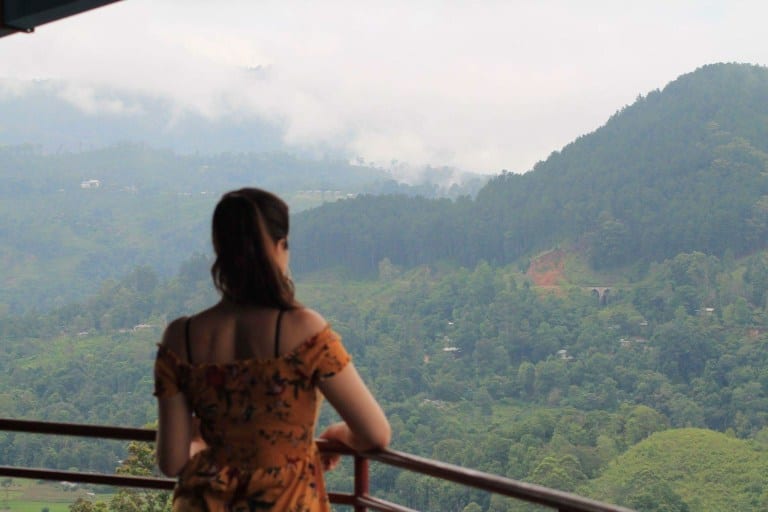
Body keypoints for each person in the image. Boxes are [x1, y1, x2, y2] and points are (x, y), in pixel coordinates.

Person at [154, 188, 390, 511]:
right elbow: (376, 434)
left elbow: (171, 462)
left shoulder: (179, 338)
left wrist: (197, 442)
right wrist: (339, 434)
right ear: (280, 247)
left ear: (220, 251)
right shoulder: (305, 331)